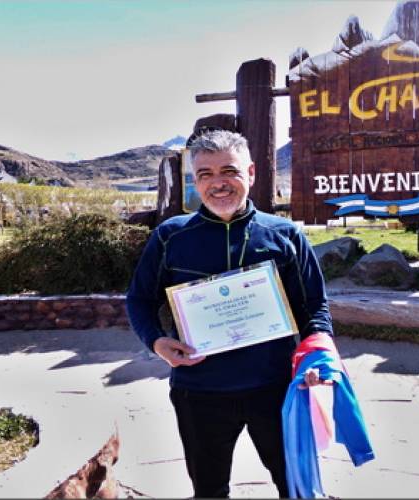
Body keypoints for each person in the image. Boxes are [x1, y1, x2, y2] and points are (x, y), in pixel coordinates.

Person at [126, 129, 332, 498]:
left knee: (296, 487)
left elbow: (313, 306)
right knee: (209, 490)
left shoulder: (284, 235)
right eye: (205, 174)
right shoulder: (170, 236)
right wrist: (156, 341)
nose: (218, 183)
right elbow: (139, 300)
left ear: (250, 173)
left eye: (229, 171)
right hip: (199, 392)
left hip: (277, 389)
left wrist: (317, 356)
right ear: (194, 181)